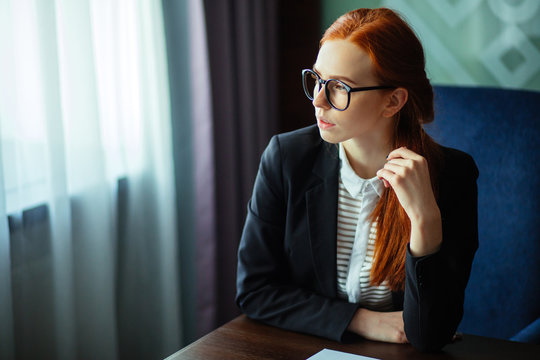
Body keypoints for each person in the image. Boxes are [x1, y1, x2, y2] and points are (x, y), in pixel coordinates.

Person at [235, 7, 478, 352]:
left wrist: (425, 220)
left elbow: (428, 335)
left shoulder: (452, 176)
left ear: (392, 101)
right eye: (317, 79)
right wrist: (362, 320)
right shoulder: (287, 159)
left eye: (338, 88)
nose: (318, 101)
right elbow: (255, 291)